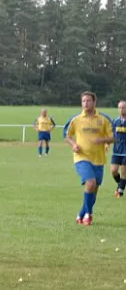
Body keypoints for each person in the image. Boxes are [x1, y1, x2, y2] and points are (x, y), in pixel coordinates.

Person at [63, 91, 114, 226]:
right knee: (90, 183)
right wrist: (73, 145)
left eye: (88, 101)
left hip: (98, 159)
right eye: (83, 101)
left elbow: (113, 137)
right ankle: (87, 215)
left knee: (94, 190)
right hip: (81, 157)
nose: (85, 103)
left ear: (94, 102)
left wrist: (102, 140)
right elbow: (66, 136)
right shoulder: (76, 119)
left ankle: (81, 214)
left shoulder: (103, 119)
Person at [110, 101, 126, 197]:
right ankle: (121, 183)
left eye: (123, 107)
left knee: (124, 171)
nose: (121, 110)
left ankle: (120, 190)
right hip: (116, 151)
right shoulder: (115, 121)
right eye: (120, 108)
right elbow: (111, 134)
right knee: (113, 170)